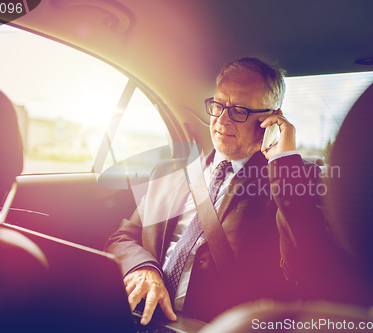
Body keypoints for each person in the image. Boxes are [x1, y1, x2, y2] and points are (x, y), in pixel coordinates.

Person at [105, 57, 336, 324]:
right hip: (144, 320)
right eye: (218, 106)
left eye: (239, 110)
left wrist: (283, 164)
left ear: (271, 119)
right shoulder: (170, 173)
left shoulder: (293, 178)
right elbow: (122, 237)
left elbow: (310, 270)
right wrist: (142, 269)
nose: (222, 120)